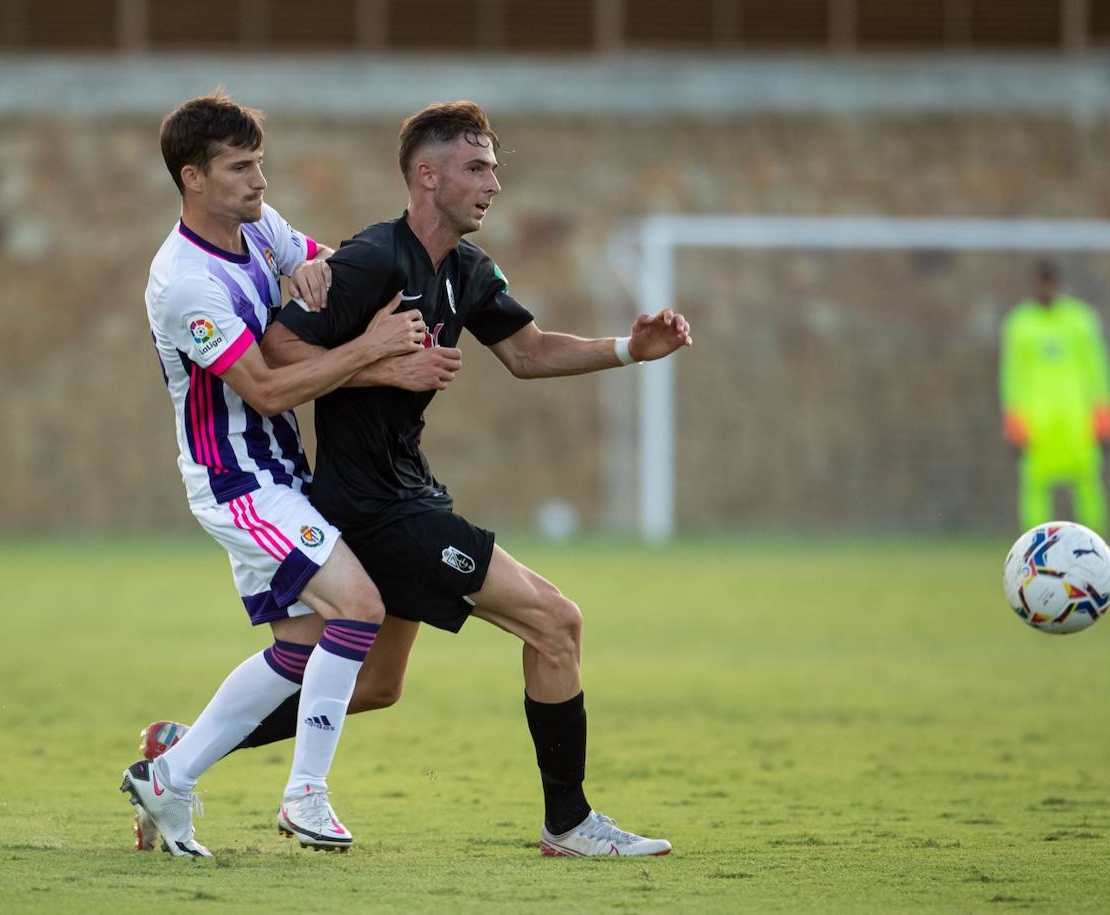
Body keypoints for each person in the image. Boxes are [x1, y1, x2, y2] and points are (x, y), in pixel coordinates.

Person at [248, 100, 693, 857]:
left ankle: (182, 752)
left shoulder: (468, 270)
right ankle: (569, 823)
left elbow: (529, 351)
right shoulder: (371, 261)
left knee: (378, 687)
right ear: (427, 175)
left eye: (494, 168)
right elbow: (277, 351)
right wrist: (382, 362)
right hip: (374, 508)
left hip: (409, 492)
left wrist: (629, 349)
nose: (493, 183)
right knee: (556, 622)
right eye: (476, 167)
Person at [123, 90, 430, 857]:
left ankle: (170, 774)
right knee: (358, 607)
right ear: (193, 178)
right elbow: (262, 386)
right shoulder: (184, 283)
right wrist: (372, 349)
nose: (260, 181)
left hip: (282, 471)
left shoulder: (259, 227)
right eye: (240, 167)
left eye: (260, 162)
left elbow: (320, 266)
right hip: (237, 481)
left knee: (299, 649)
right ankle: (306, 795)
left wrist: (325, 275)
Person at [1000, 260, 1110, 533]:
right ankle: (1035, 547)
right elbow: (1011, 376)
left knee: (1088, 481)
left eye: (1050, 283)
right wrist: (1013, 420)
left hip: (1077, 418)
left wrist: (1105, 415)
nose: (1046, 290)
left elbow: (1098, 370)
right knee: (1034, 485)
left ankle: (1095, 545)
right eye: (1041, 283)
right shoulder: (1019, 324)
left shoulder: (1081, 321)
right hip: (1036, 420)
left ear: (1059, 285)